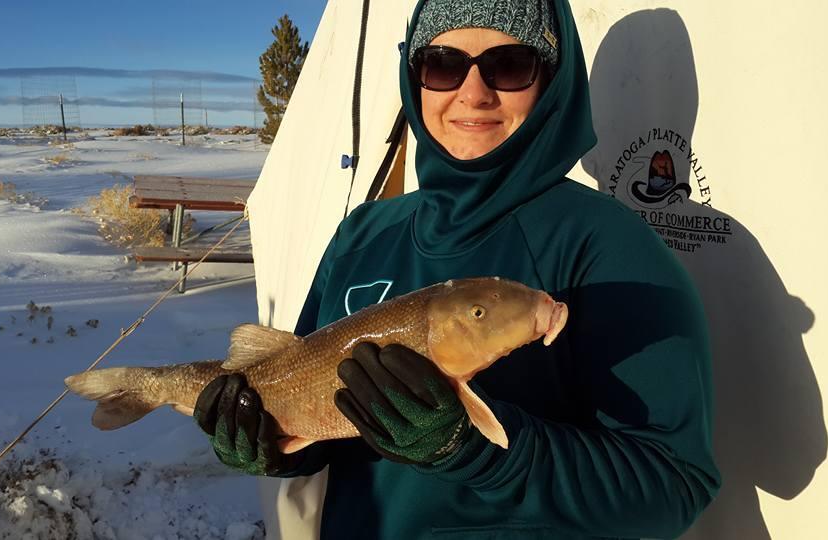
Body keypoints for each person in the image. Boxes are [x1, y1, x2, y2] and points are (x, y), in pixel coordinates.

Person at [194, 0, 721, 537]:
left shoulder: (607, 247)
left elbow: (674, 485)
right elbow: (312, 405)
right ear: (414, 77)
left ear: (552, 82)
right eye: (443, 64)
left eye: (510, 65)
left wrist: (476, 451)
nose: (474, 93)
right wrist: (270, 443)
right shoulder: (364, 232)